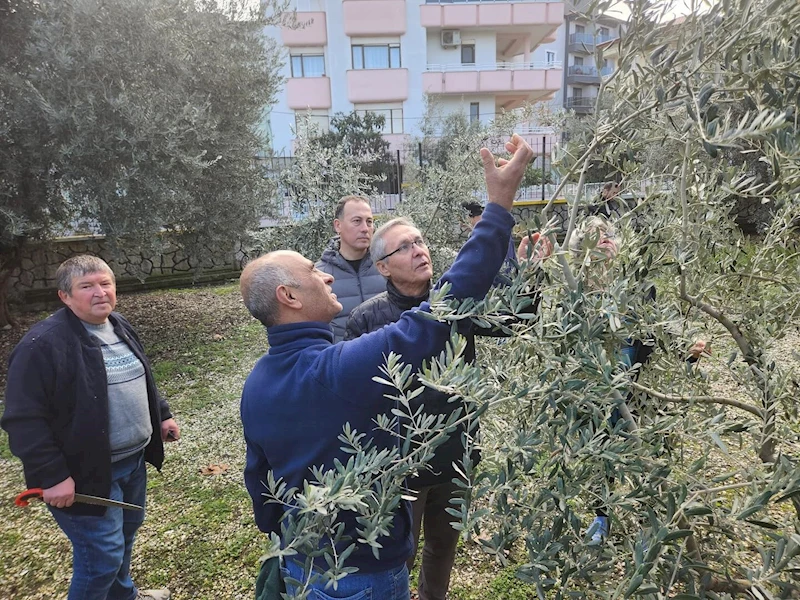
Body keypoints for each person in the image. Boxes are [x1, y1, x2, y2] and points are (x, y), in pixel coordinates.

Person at [239, 134, 534, 599]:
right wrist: (497, 208)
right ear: (289, 297)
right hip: (364, 574)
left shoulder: (256, 383)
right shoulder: (337, 369)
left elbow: (259, 482)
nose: (328, 273)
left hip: (304, 565)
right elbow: (441, 312)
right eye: (313, 273)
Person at [343, 217, 549, 600]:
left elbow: (517, 321)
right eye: (404, 246)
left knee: (443, 549)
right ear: (383, 267)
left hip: (457, 457)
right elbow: (355, 398)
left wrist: (530, 275)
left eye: (420, 241)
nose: (419, 249)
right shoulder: (367, 320)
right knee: (397, 558)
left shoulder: (456, 305)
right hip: (401, 468)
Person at [1, 255, 180, 600]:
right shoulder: (42, 345)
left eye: (105, 283)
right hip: (85, 473)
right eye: (87, 286)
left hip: (131, 463)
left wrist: (162, 415)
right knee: (101, 559)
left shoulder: (119, 325)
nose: (100, 293)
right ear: (64, 296)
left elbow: (142, 375)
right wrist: (50, 475)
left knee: (124, 539)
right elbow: (23, 419)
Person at [567, 217, 708, 544]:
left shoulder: (639, 284)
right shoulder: (578, 292)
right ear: (582, 250)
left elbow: (660, 329)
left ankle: (650, 517)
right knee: (601, 448)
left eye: (608, 235)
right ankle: (602, 517)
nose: (603, 240)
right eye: (594, 237)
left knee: (647, 449)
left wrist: (686, 349)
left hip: (641, 385)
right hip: (598, 388)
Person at [315, 195, 386, 342]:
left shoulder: (388, 267)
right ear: (338, 226)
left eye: (369, 222)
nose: (365, 229)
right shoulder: (319, 275)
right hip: (341, 361)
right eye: (357, 221)